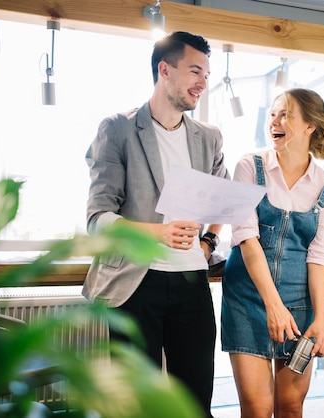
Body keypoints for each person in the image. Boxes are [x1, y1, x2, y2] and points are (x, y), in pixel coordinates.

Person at [82, 31, 229, 417]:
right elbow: (98, 219)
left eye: (207, 75)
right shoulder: (118, 129)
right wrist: (159, 233)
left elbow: (222, 198)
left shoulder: (209, 137)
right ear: (164, 69)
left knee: (195, 403)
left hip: (190, 282)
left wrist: (209, 241)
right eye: (195, 71)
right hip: (134, 283)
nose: (202, 82)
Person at [221, 88, 324, 417]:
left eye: (285, 114)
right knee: (257, 409)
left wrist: (321, 319)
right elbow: (247, 239)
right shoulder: (249, 166)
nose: (274, 120)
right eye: (273, 113)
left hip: (299, 306)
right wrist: (272, 305)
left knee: (290, 406)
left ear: (309, 126)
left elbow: (319, 256)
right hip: (247, 300)